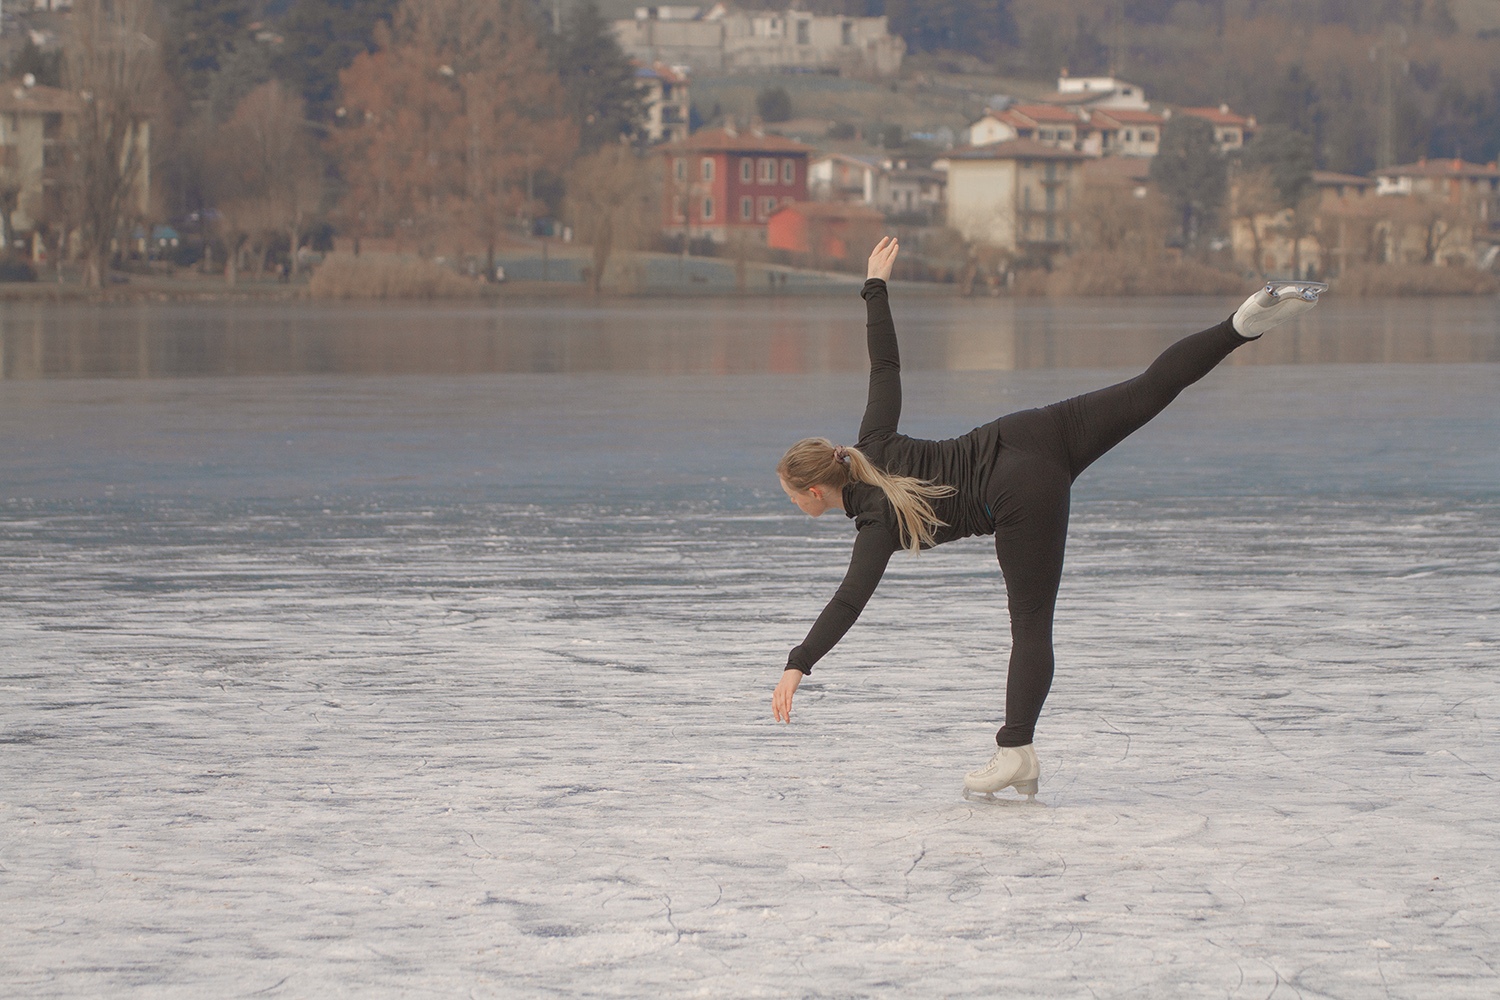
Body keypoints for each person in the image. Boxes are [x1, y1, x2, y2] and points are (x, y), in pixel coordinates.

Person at [772, 237, 1321, 801]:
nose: (794, 504)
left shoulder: (876, 526)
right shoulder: (873, 439)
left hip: (1018, 495)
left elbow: (848, 602)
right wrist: (875, 286)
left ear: (815, 490)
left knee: (1031, 625)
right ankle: (1241, 324)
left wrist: (798, 664)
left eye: (793, 497)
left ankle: (1016, 750)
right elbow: (885, 363)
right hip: (1030, 431)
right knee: (1148, 389)